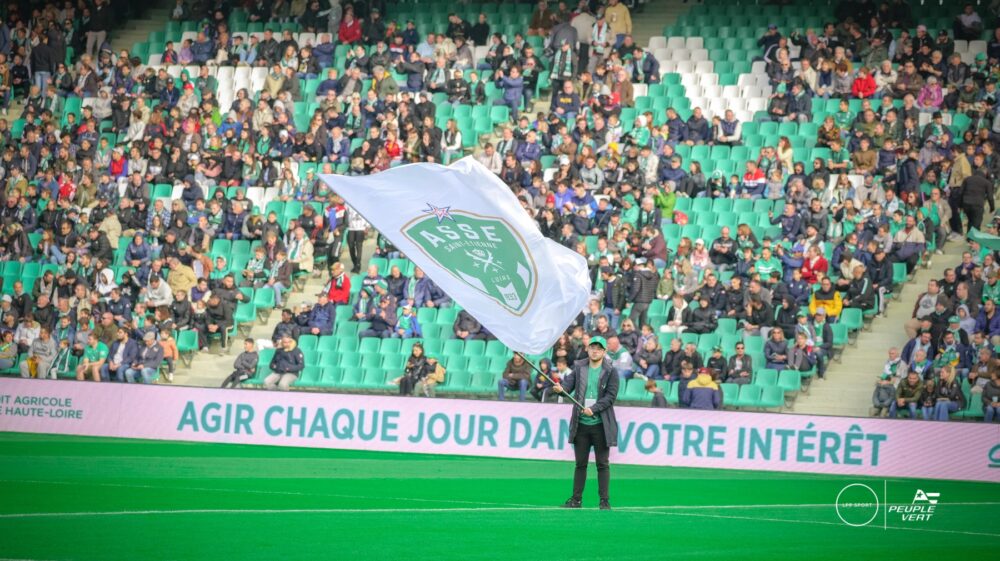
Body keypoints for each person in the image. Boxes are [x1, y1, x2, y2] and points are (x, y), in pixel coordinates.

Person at [552, 336, 619, 510]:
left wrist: (594, 408)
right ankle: (576, 500)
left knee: (602, 464)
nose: (595, 351)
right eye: (592, 347)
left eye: (599, 348)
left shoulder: (611, 371)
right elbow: (568, 386)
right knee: (580, 464)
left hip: (601, 425)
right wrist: (561, 390)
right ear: (588, 349)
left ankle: (604, 501)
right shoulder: (579, 367)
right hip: (581, 424)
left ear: (604, 351)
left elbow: (610, 397)